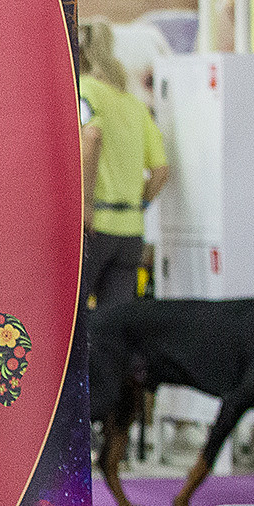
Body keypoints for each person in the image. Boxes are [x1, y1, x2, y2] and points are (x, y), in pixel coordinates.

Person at [77, 19, 168, 311]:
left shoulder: (84, 90)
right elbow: (161, 170)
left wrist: (86, 204)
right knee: (115, 322)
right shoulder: (134, 104)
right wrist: (139, 204)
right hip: (131, 233)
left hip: (94, 227)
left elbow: (91, 136)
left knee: (76, 316)